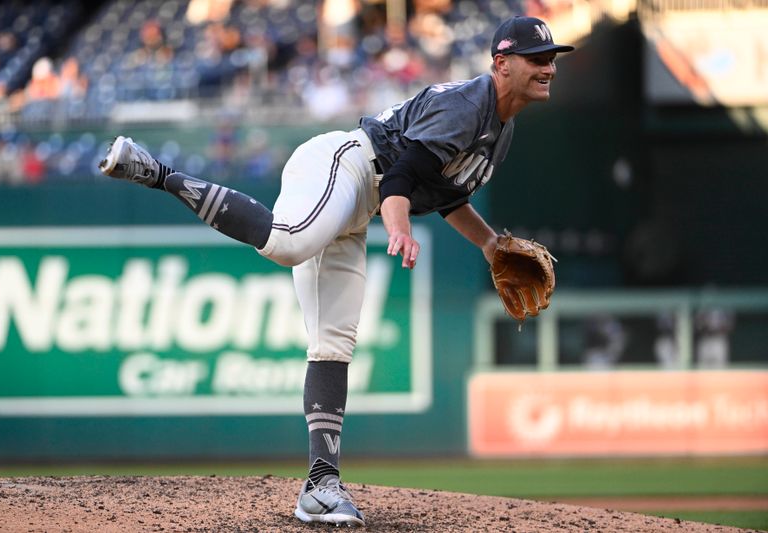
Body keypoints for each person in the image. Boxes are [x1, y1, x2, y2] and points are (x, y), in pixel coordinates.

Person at [98, 15, 574, 528]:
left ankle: (321, 487)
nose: (548, 67)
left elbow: (448, 195)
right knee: (287, 242)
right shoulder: (467, 104)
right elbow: (402, 176)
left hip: (362, 206)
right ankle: (159, 173)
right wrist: (399, 229)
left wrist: (489, 244)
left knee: (333, 342)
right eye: (536, 58)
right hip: (343, 165)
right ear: (501, 64)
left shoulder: (501, 128)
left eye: (551, 58)